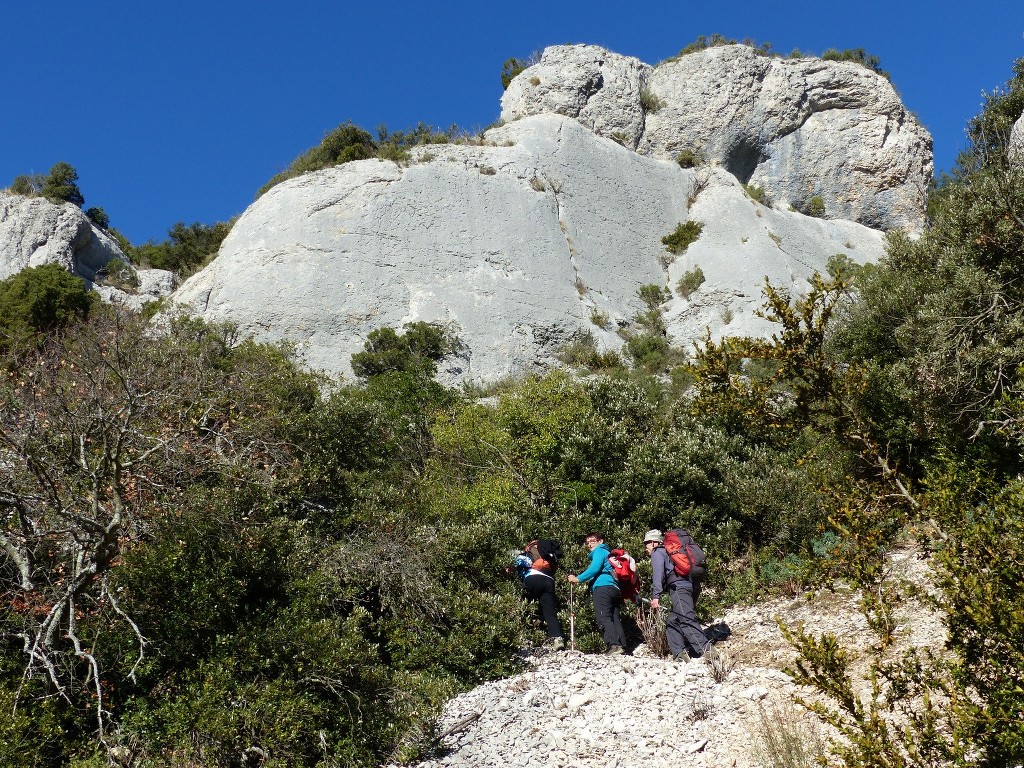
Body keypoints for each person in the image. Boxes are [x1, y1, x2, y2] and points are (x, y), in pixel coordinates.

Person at [644, 528, 707, 661]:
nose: (646, 548)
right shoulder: (674, 550)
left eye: (647, 543)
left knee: (685, 618)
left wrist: (656, 596)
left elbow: (658, 575)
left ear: (654, 542)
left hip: (679, 588)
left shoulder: (658, 552)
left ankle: (707, 651)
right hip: (693, 585)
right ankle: (680, 654)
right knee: (673, 621)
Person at [567, 532, 627, 655]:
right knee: (614, 617)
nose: (589, 544)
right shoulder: (609, 554)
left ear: (600, 541)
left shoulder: (600, 551)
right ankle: (621, 645)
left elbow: (594, 568)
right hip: (615, 589)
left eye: (592, 541)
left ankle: (614, 645)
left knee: (603, 616)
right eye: (587, 542)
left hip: (603, 587)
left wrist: (578, 578)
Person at [513, 540, 565, 650]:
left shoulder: (526, 555)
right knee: (550, 612)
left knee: (526, 609)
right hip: (549, 581)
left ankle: (525, 639)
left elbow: (517, 564)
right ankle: (558, 639)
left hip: (532, 578)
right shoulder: (549, 556)